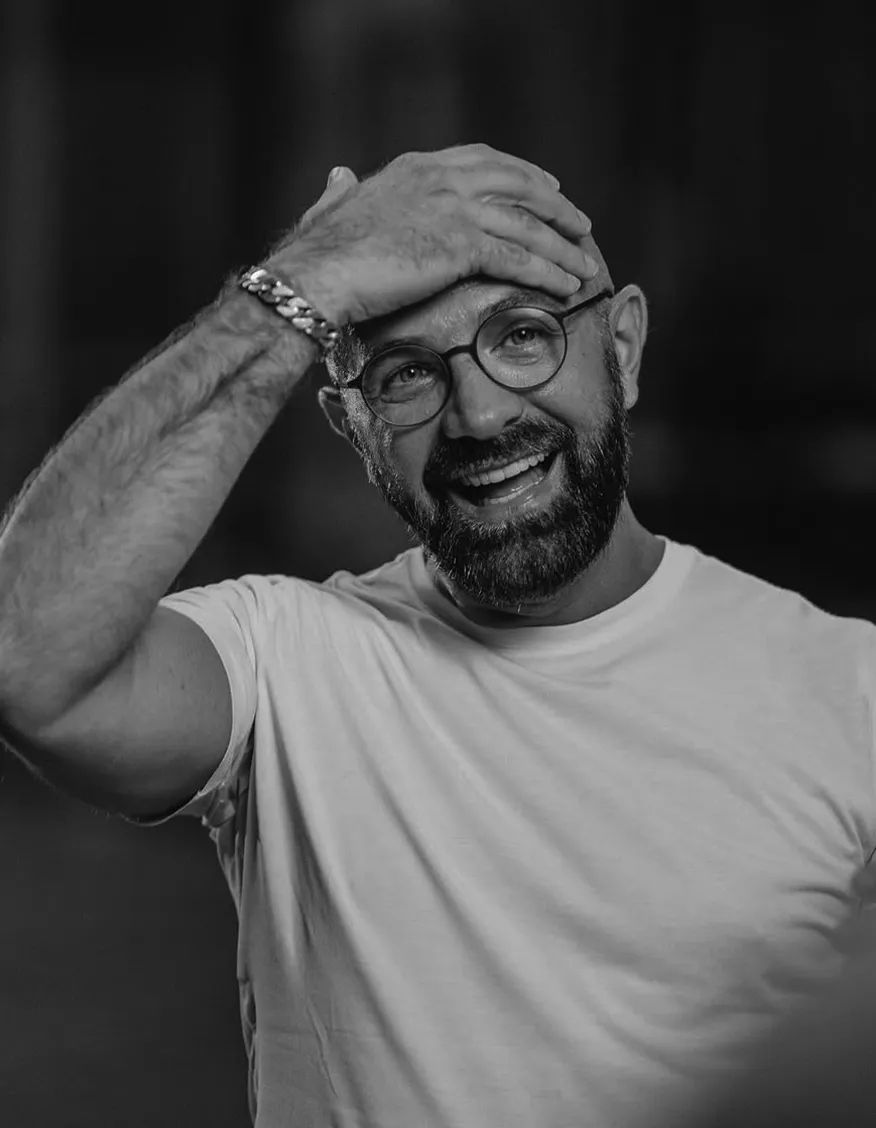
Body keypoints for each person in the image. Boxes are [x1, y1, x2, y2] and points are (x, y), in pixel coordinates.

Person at [0, 143, 873, 1128]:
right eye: (406, 375)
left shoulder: (852, 693)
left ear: (622, 350)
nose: (481, 411)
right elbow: (27, 663)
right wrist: (296, 287)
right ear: (351, 423)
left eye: (524, 336)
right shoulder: (289, 661)